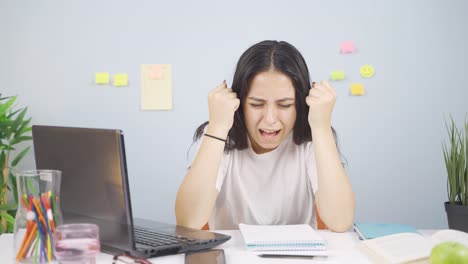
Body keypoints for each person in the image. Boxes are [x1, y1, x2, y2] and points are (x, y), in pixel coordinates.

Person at [175, 40, 355, 232]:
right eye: (256, 104)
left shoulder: (312, 140)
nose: (270, 119)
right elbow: (188, 222)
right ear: (240, 102)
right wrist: (217, 126)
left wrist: (321, 127)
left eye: (284, 105)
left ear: (300, 105)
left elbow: (340, 221)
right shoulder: (220, 136)